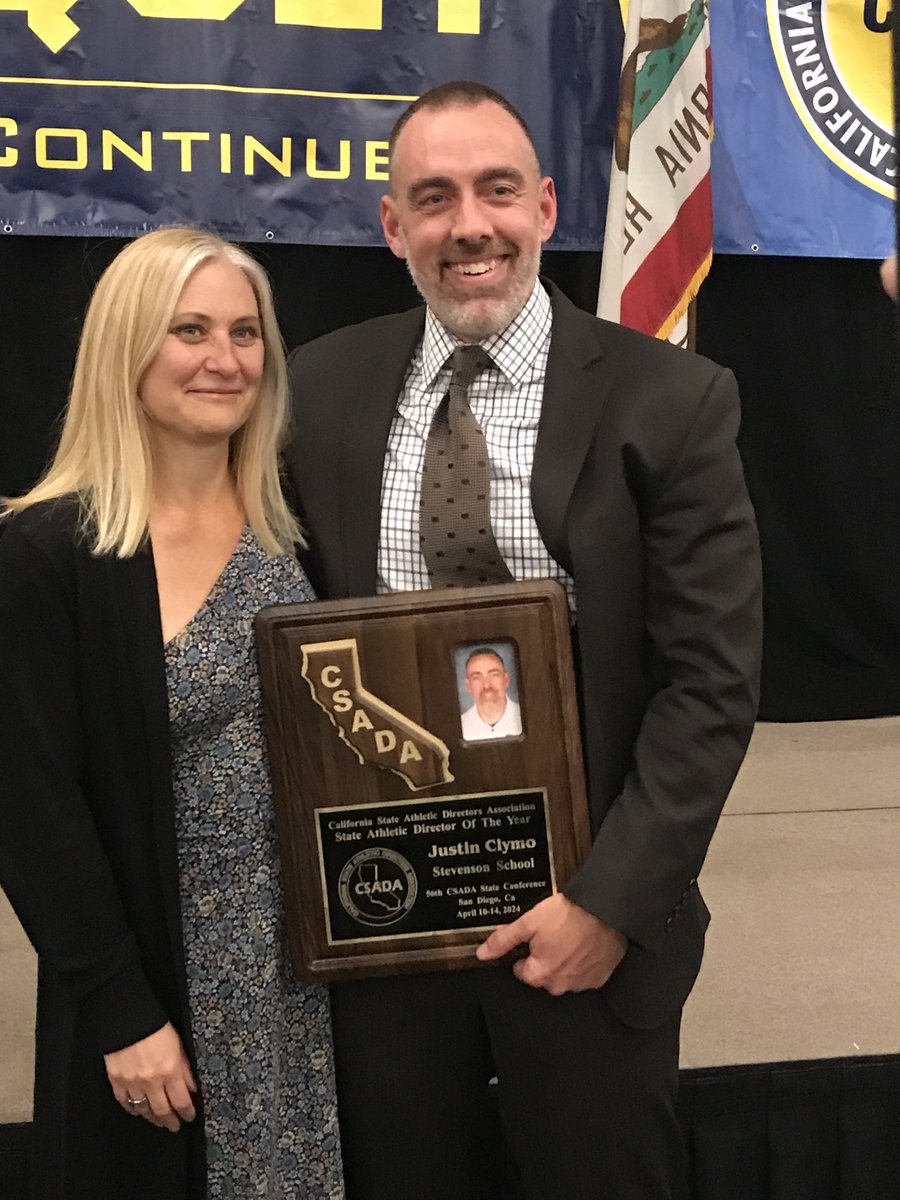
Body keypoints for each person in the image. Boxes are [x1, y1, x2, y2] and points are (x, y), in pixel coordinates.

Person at [286, 81, 762, 1200]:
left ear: (546, 207)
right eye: (433, 198)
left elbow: (711, 685)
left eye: (498, 191)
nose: (470, 226)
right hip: (386, 924)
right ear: (392, 226)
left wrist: (609, 903)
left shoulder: (674, 401)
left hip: (588, 923)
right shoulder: (318, 388)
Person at [0, 228, 344, 1200]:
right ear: (127, 346)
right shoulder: (48, 552)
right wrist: (120, 1011)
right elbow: (30, 807)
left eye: (245, 332)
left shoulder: (302, 526)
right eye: (189, 329)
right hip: (163, 983)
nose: (225, 358)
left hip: (319, 979)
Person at [460, 646, 522, 739]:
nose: (486, 685)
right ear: (468, 685)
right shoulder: (460, 726)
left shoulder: (526, 719)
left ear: (506, 680)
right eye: (476, 677)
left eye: (494, 675)